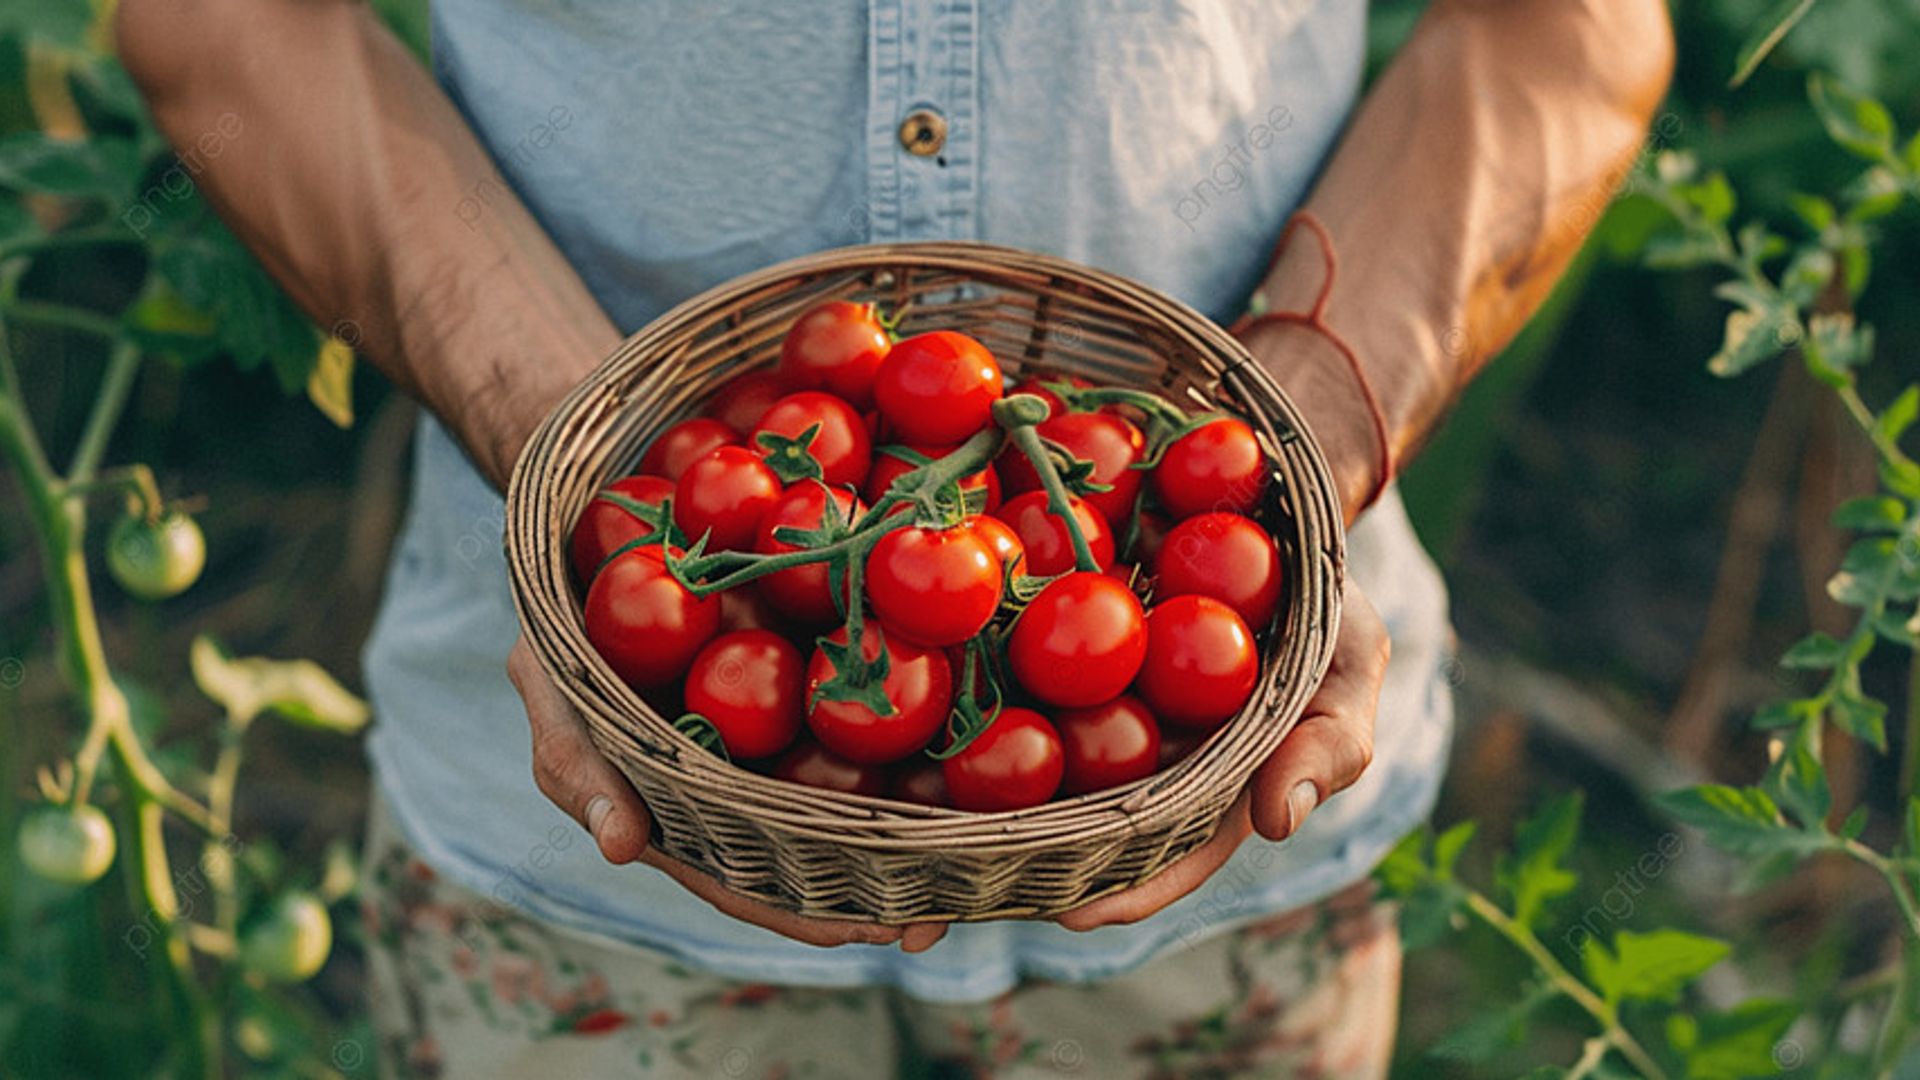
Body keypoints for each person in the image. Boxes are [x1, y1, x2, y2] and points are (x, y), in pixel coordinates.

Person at [119, 1, 1672, 1075]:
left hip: (1236, 803)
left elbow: (1569, 32)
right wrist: (576, 472)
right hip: (568, 824)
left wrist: (1295, 467)